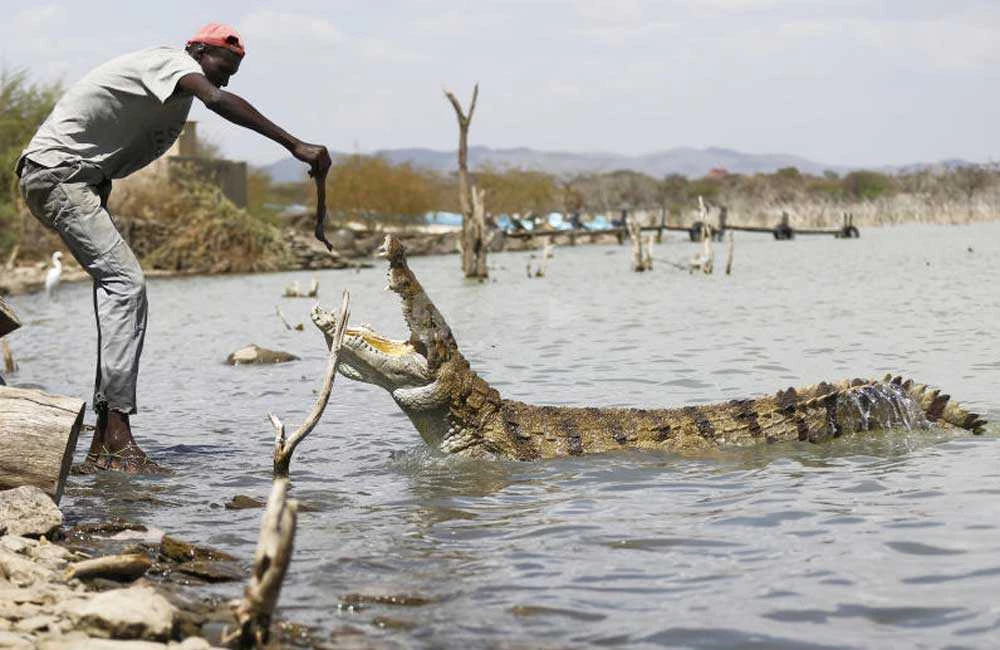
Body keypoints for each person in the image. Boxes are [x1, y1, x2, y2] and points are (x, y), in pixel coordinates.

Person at [16, 24, 331, 473]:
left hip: (77, 182)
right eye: (223, 66)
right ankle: (120, 436)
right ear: (198, 51)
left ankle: (103, 442)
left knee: (116, 295)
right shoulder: (171, 63)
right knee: (127, 286)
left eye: (234, 72)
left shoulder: (175, 93)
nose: (225, 80)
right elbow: (218, 101)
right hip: (59, 175)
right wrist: (294, 144)